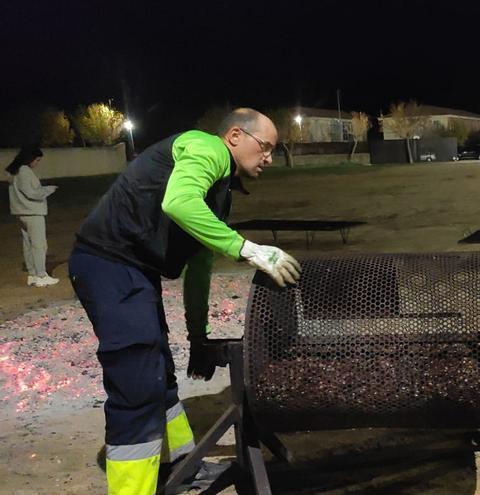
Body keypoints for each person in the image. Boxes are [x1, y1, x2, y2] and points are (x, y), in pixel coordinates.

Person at [69, 108, 301, 495]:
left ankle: (184, 467)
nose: (269, 159)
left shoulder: (220, 191)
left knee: (159, 368)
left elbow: (200, 267)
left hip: (133, 269)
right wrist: (245, 249)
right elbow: (177, 202)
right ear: (234, 136)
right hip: (107, 263)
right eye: (265, 147)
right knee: (137, 380)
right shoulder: (205, 148)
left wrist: (198, 336)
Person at [6, 145, 59, 287]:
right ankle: (41, 275)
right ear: (30, 159)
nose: (37, 163)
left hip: (21, 212)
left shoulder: (15, 171)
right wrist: (48, 190)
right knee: (39, 245)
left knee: (28, 244)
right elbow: (31, 193)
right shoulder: (24, 171)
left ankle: (33, 274)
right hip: (32, 212)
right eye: (37, 160)